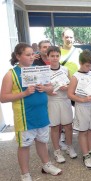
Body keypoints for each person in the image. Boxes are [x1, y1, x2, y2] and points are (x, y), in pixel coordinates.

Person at [0, 43, 62, 181]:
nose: (31, 57)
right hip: (25, 118)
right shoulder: (11, 74)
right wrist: (24, 93)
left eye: (32, 54)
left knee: (42, 141)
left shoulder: (39, 70)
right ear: (18, 56)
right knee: (24, 146)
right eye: (27, 55)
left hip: (42, 115)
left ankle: (46, 165)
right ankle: (25, 173)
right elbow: (3, 98)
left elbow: (51, 88)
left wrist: (45, 88)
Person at [67, 50, 91, 169]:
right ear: (80, 63)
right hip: (82, 107)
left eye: (90, 65)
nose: (89, 67)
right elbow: (70, 94)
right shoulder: (75, 77)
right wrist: (82, 100)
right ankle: (85, 155)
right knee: (83, 131)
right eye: (86, 65)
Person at [47, 46, 77, 163]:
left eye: (57, 56)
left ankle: (70, 147)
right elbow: (42, 87)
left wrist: (67, 87)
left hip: (65, 100)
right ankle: (57, 151)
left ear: (60, 56)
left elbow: (72, 86)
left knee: (68, 126)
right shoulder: (45, 71)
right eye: (52, 56)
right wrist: (47, 89)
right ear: (48, 57)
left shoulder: (65, 69)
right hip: (52, 101)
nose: (55, 58)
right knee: (55, 127)